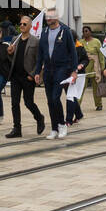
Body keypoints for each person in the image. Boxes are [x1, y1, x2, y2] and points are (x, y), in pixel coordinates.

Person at [36, 7, 80, 140]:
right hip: (48, 69)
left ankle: (62, 124)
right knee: (50, 101)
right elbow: (40, 54)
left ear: (56, 18)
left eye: (50, 17)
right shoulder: (44, 32)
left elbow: (73, 52)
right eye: (46, 17)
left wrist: (74, 71)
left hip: (62, 68)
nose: (48, 19)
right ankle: (54, 128)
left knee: (56, 98)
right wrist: (38, 71)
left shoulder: (65, 31)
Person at [4, 14, 46, 138]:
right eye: (20, 24)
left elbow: (40, 61)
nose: (22, 26)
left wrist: (33, 75)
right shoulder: (15, 39)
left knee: (28, 102)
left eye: (24, 24)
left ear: (30, 26)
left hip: (28, 77)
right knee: (14, 102)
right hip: (15, 76)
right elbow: (12, 58)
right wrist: (10, 53)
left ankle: (39, 118)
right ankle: (17, 128)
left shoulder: (35, 41)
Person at [0, 21, 15, 125]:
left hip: (2, 74)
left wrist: (11, 52)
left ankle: (0, 115)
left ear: (1, 34)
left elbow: (9, 57)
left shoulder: (5, 45)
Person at [80, 25, 104, 111]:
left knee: (96, 87)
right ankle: (77, 104)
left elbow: (101, 55)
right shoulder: (80, 42)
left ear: (90, 32)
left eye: (86, 31)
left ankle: (99, 104)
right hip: (84, 67)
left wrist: (102, 67)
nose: (85, 33)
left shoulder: (96, 42)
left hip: (95, 67)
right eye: (83, 31)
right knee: (81, 87)